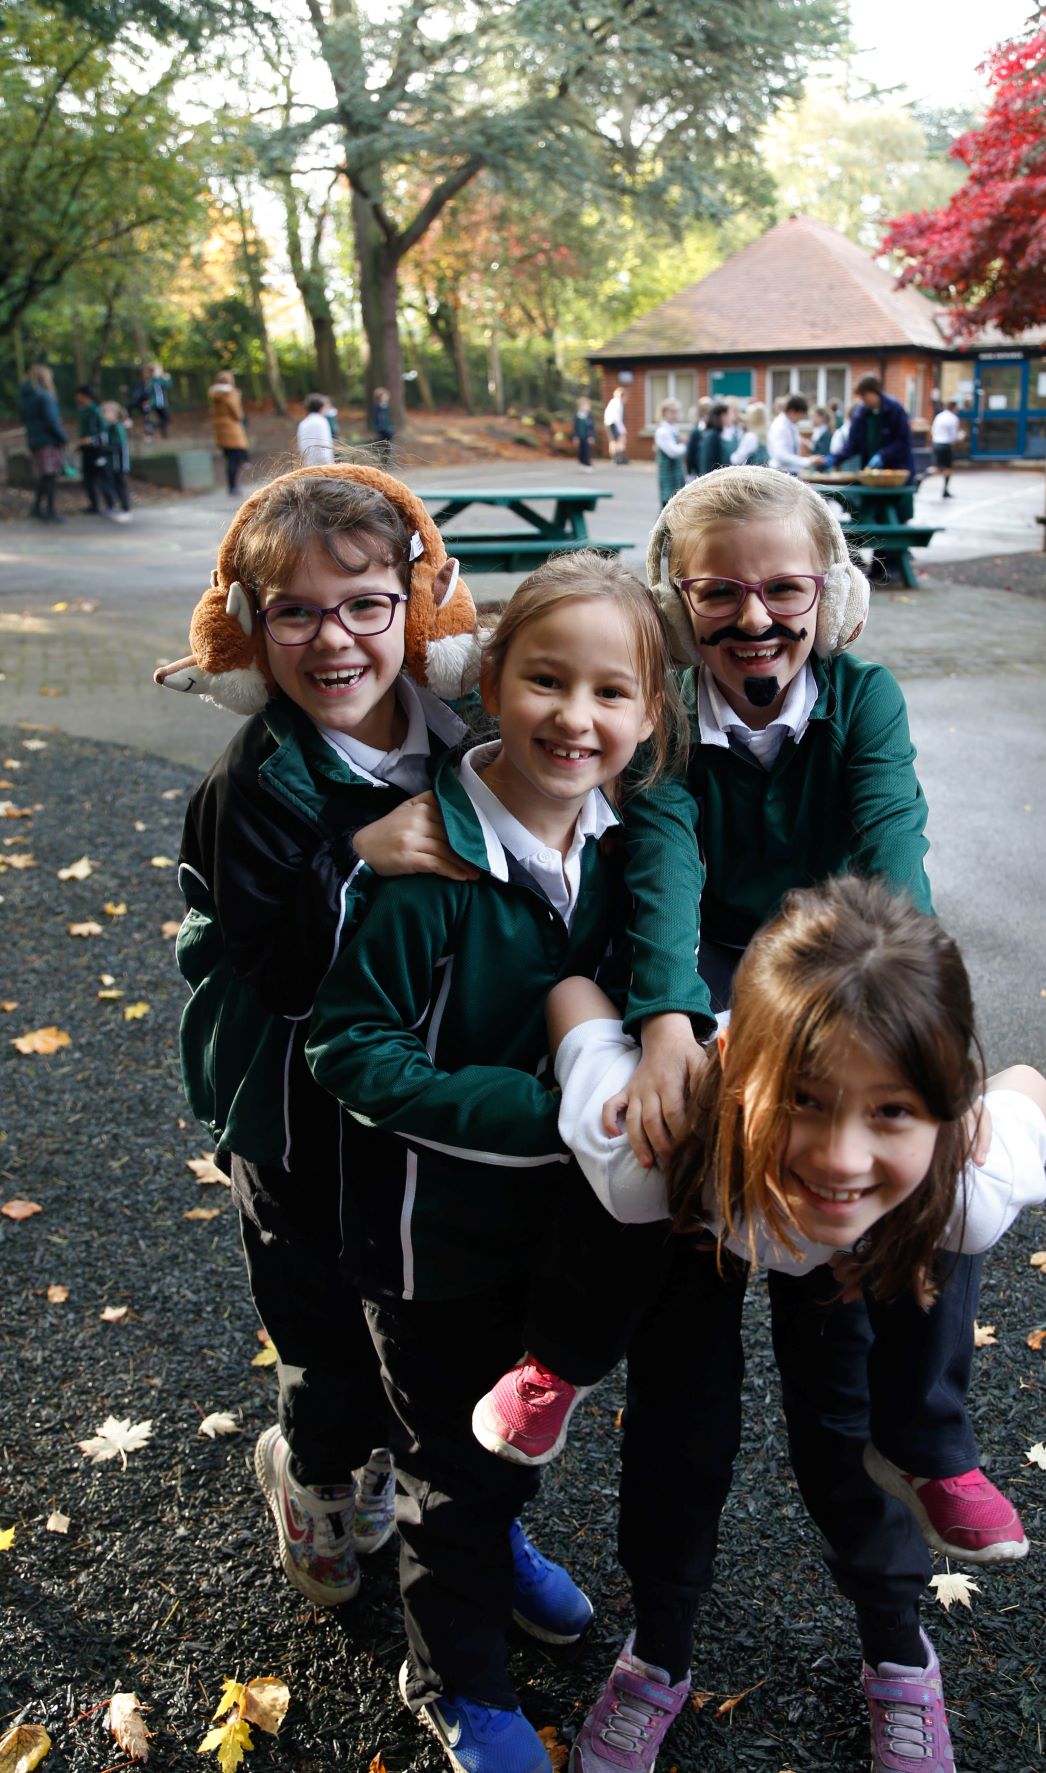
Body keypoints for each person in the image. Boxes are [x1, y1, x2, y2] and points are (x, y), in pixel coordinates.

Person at [473, 467, 1030, 1764]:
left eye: (782, 589)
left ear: (827, 594)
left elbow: (894, 849)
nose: (754, 618)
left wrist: (909, 1032)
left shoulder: (861, 701)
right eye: (719, 592)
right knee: (680, 1392)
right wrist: (665, 1014)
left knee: (844, 1391)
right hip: (716, 1002)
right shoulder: (669, 712)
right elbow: (662, 857)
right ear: (678, 599)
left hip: (841, 989)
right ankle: (659, 1644)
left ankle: (896, 1644)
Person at [306, 551, 705, 1773]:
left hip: (556, 1236)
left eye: (611, 694)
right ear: (492, 681)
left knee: (510, 1434)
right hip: (430, 1240)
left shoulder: (628, 846)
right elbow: (347, 1048)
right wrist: (545, 1117)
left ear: (648, 718)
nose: (574, 718)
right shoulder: (426, 863)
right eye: (545, 680)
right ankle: (461, 1682)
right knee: (447, 1469)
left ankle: (492, 1544)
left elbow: (660, 966)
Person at [549, 876, 1046, 1773]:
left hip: (869, 1250)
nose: (840, 1157)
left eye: (894, 1108)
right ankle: (658, 1650)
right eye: (807, 1101)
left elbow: (1028, 1081)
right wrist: (653, 1042)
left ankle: (899, 1650)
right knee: (678, 1422)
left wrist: (967, 1105)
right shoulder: (649, 1155)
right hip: (712, 1199)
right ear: (732, 1067)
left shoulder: (970, 1188)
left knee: (851, 1430)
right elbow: (573, 996)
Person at [175, 467, 481, 1612]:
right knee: (325, 1339)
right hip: (296, 1121)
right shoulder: (251, 786)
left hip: (423, 1109)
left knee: (440, 1339)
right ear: (251, 631)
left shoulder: (469, 735)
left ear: (424, 612)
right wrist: (358, 856)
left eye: (365, 605)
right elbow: (279, 969)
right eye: (296, 612)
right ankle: (310, 1479)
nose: (334, 639)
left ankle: (452, 1517)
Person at [830, 374, 917, 479]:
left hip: (897, 470)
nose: (863, 400)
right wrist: (834, 459)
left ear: (875, 392)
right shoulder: (860, 414)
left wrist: (883, 455)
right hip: (870, 472)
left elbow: (903, 441)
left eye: (864, 395)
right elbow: (852, 445)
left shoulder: (895, 410)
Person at [19, 363, 69, 525]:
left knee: (44, 475)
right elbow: (51, 420)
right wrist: (63, 437)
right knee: (50, 476)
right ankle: (50, 510)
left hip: (34, 440)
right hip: (48, 441)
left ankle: (37, 508)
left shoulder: (26, 397)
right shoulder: (45, 397)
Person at [75, 385, 114, 516]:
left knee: (103, 476)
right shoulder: (83, 410)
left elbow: (103, 430)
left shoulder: (95, 410)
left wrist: (92, 440)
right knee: (88, 478)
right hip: (87, 449)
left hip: (98, 449)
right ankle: (94, 505)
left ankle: (110, 504)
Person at [209, 369, 249, 495]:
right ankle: (233, 487)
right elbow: (236, 412)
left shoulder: (215, 393)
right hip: (232, 429)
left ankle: (231, 486)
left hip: (220, 429)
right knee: (234, 459)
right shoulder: (230, 394)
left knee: (229, 458)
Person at [100, 401, 133, 523]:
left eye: (107, 411)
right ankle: (120, 509)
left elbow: (119, 445)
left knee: (121, 485)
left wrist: (104, 448)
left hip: (119, 462)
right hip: (113, 462)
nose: (104, 414)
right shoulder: (108, 427)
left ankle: (126, 510)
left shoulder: (117, 427)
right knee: (116, 485)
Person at [768, 393, 815, 473]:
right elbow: (781, 456)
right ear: (792, 411)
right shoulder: (780, 427)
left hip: (789, 472)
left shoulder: (790, 425)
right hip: (781, 472)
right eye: (801, 414)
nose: (801, 418)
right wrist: (808, 461)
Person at [653, 399, 686, 506]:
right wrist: (684, 445)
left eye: (676, 411)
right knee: (667, 505)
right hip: (668, 472)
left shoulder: (674, 428)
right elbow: (672, 452)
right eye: (672, 412)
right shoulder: (662, 431)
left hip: (676, 472)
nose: (675, 415)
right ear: (664, 412)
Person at [930, 401, 962, 497]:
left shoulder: (939, 416)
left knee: (936, 467)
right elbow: (953, 436)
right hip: (945, 445)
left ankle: (920, 479)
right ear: (953, 408)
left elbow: (933, 430)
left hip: (936, 443)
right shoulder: (953, 419)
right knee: (948, 468)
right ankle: (945, 490)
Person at [296, 394, 335, 467]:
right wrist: (329, 464)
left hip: (307, 464)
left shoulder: (303, 423)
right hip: (322, 466)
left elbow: (301, 445)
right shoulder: (322, 421)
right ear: (321, 407)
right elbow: (325, 445)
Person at [695, 401, 732, 475]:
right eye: (728, 415)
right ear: (722, 416)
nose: (730, 418)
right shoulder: (712, 436)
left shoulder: (714, 434)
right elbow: (708, 464)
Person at [729, 401, 769, 467]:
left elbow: (736, 460)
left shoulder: (751, 437)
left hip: (752, 475)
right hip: (764, 474)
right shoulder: (767, 434)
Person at [683, 395, 712, 480]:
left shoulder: (713, 430)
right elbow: (690, 454)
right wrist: (689, 472)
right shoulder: (696, 431)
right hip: (698, 471)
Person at [603, 386, 628, 465]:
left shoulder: (613, 402)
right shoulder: (617, 403)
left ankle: (616, 458)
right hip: (613, 423)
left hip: (609, 423)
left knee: (613, 441)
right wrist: (622, 430)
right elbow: (617, 418)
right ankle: (618, 457)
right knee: (619, 440)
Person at [573, 394, 596, 472]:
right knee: (580, 451)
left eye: (587, 405)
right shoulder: (577, 416)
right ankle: (581, 463)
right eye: (585, 405)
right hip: (580, 436)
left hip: (587, 437)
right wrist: (575, 436)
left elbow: (592, 427)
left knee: (587, 451)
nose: (586, 407)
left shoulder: (589, 416)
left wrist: (591, 436)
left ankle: (588, 464)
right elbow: (575, 427)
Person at [372, 386, 394, 459]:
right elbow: (379, 419)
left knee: (387, 444)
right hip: (382, 428)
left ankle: (385, 459)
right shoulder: (378, 407)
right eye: (384, 396)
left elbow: (388, 418)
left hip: (387, 428)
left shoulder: (386, 407)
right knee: (383, 443)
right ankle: (382, 458)